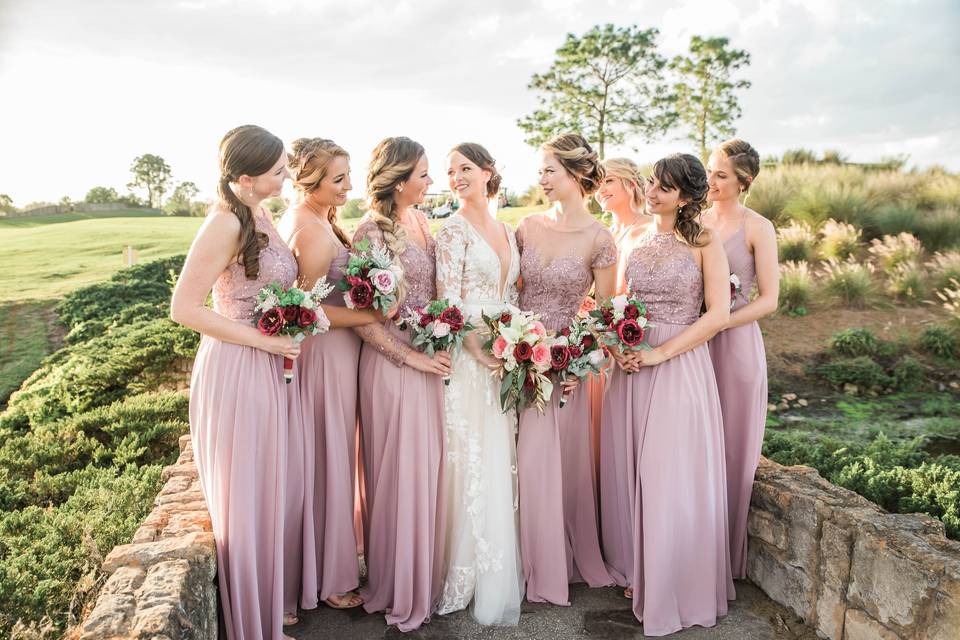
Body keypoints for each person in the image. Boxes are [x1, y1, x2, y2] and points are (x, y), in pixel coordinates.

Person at [600, 152, 735, 636]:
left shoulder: (704, 240)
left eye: (662, 187)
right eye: (651, 184)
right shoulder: (633, 236)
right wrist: (618, 347)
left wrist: (660, 355)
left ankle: (674, 577)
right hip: (631, 366)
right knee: (633, 467)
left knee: (667, 472)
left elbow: (717, 314)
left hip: (678, 365)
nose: (651, 193)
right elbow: (613, 304)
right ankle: (640, 567)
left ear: (685, 196)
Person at [353, 136, 450, 632]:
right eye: (424, 175)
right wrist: (409, 356)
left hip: (428, 358)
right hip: (393, 365)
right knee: (398, 475)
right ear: (398, 180)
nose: (431, 183)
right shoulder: (369, 232)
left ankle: (425, 578)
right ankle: (396, 583)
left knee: (425, 471)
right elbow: (364, 320)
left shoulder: (423, 222)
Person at [515, 133, 615, 606]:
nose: (542, 179)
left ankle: (554, 557)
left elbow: (605, 314)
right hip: (516, 359)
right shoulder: (526, 227)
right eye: (540, 170)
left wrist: (582, 359)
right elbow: (509, 296)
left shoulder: (600, 237)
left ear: (576, 175)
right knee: (521, 460)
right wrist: (513, 345)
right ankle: (518, 556)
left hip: (567, 368)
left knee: (558, 464)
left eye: (549, 170)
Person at [434, 142, 524, 625]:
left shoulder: (507, 229)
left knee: (498, 455)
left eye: (464, 167)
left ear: (489, 172)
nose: (455, 177)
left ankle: (497, 568)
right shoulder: (452, 230)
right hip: (471, 360)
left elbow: (508, 296)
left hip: (504, 356)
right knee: (471, 459)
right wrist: (475, 346)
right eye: (450, 171)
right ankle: (461, 569)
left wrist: (516, 339)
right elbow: (447, 299)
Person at [702, 138, 778, 579]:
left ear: (743, 182)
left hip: (735, 348)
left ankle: (723, 561)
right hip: (694, 346)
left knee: (731, 451)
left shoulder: (757, 227)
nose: (711, 180)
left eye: (721, 174)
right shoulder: (696, 221)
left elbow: (769, 300)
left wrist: (717, 322)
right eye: (710, 171)